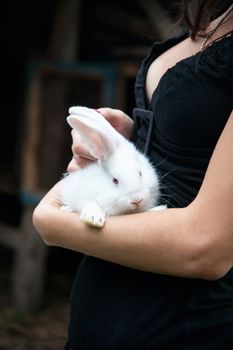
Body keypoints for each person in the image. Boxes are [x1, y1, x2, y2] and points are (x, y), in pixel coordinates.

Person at [33, 0, 233, 348]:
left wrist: (52, 221)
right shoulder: (217, 16)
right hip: (98, 322)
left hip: (187, 329)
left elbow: (206, 246)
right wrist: (131, 140)